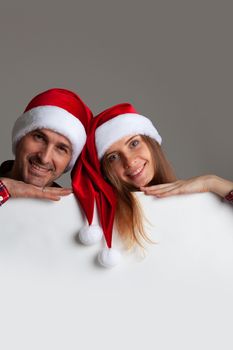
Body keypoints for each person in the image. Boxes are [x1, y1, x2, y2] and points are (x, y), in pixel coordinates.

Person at [72, 102, 233, 267]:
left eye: (134, 143)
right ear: (105, 171)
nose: (129, 161)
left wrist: (213, 182)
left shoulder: (199, 204)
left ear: (152, 144)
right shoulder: (92, 217)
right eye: (113, 157)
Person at [0, 88, 93, 206]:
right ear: (20, 138)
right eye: (39, 137)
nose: (44, 158)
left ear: (70, 161)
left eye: (61, 148)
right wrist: (4, 189)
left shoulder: (71, 214)